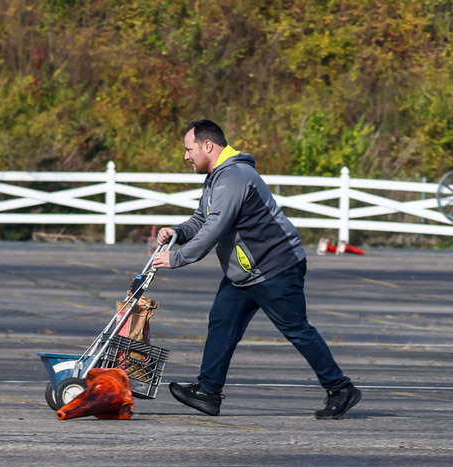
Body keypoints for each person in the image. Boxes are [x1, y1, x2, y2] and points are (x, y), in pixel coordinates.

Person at [151, 119, 361, 419]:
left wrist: (178, 258)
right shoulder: (216, 178)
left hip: (276, 267)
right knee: (222, 322)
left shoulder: (235, 176)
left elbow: (214, 227)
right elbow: (201, 218)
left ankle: (341, 388)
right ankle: (208, 392)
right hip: (245, 272)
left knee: (297, 330)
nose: (186, 156)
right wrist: (177, 232)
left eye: (189, 149)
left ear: (207, 146)